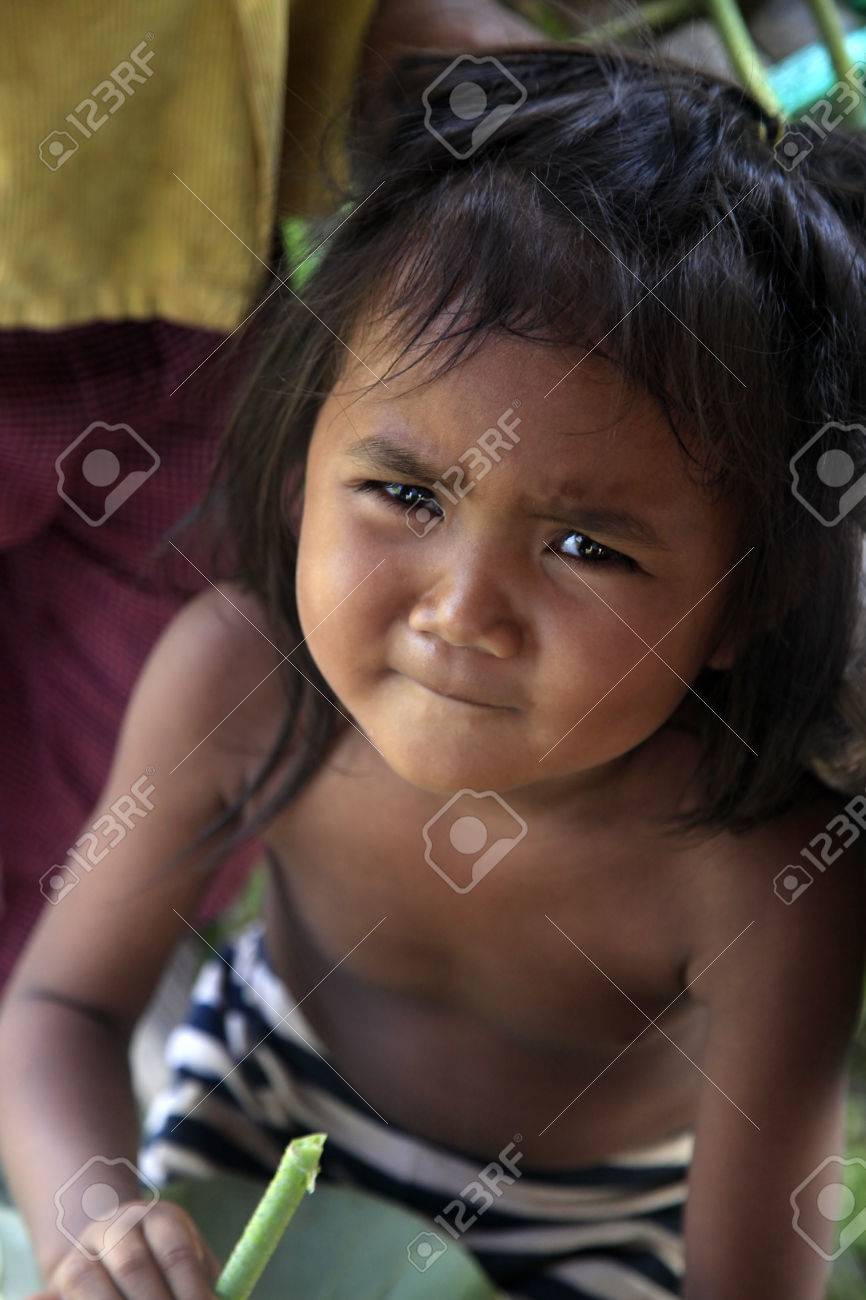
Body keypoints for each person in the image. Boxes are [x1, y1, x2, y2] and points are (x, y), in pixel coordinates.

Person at [1, 40, 865, 1300]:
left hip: (593, 1235)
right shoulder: (231, 685)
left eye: (586, 547)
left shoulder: (759, 872)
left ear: (744, 601)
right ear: (302, 474)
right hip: (252, 1109)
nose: (462, 611)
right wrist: (102, 1221)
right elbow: (58, 1013)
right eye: (404, 492)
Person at [0, 0, 536, 990]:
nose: (460, 612)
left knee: (91, 831)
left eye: (584, 546)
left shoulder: (232, 665)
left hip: (196, 268)